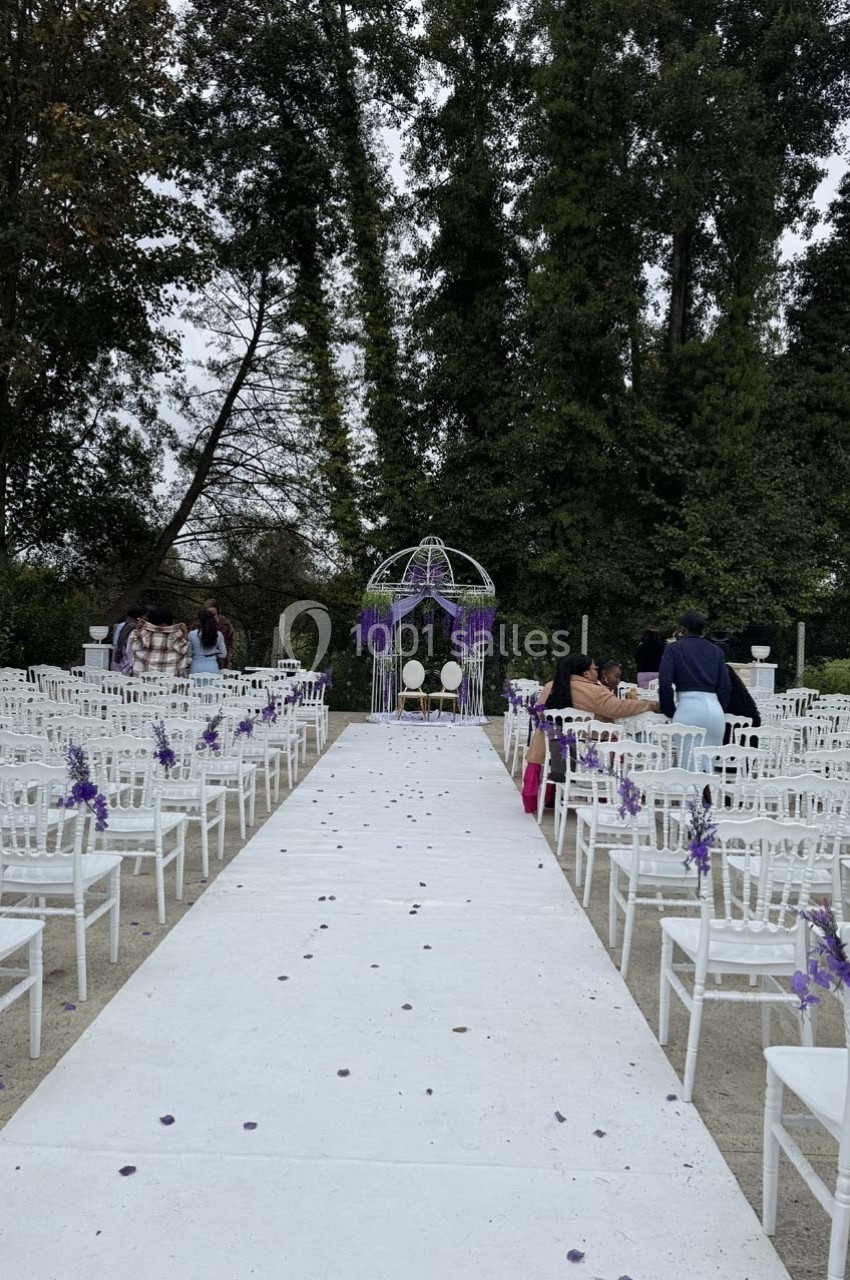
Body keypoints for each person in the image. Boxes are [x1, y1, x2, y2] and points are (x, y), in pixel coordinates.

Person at [521, 655, 658, 813]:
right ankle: (604, 795)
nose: (596, 671)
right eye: (594, 668)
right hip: (585, 749)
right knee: (611, 738)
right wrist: (650, 705)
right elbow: (618, 708)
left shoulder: (550, 686)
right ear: (586, 674)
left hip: (549, 747)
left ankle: (544, 798)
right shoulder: (595, 691)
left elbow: (540, 713)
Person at [658, 610, 731, 761]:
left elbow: (665, 682)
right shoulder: (716, 650)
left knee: (688, 768)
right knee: (708, 768)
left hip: (688, 709)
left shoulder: (674, 648)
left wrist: (669, 709)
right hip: (714, 711)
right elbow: (725, 687)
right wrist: (719, 707)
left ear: (683, 629)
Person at [131, 606, 189, 679]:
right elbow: (183, 649)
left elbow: (134, 646)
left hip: (146, 674)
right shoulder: (175, 634)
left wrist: (137, 629)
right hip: (168, 675)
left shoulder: (145, 632)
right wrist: (185, 632)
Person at [188, 608, 227, 676]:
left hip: (196, 665)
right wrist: (215, 651)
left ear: (200, 621)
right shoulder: (218, 634)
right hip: (212, 666)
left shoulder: (192, 634)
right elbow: (223, 654)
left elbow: (189, 654)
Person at [111, 606, 145, 673]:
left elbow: (115, 642)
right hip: (127, 661)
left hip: (119, 658)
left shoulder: (122, 625)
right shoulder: (133, 628)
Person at [203, 599, 234, 669]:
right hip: (202, 661)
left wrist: (227, 659)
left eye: (213, 615)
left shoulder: (226, 625)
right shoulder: (198, 624)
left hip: (222, 662)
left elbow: (230, 644)